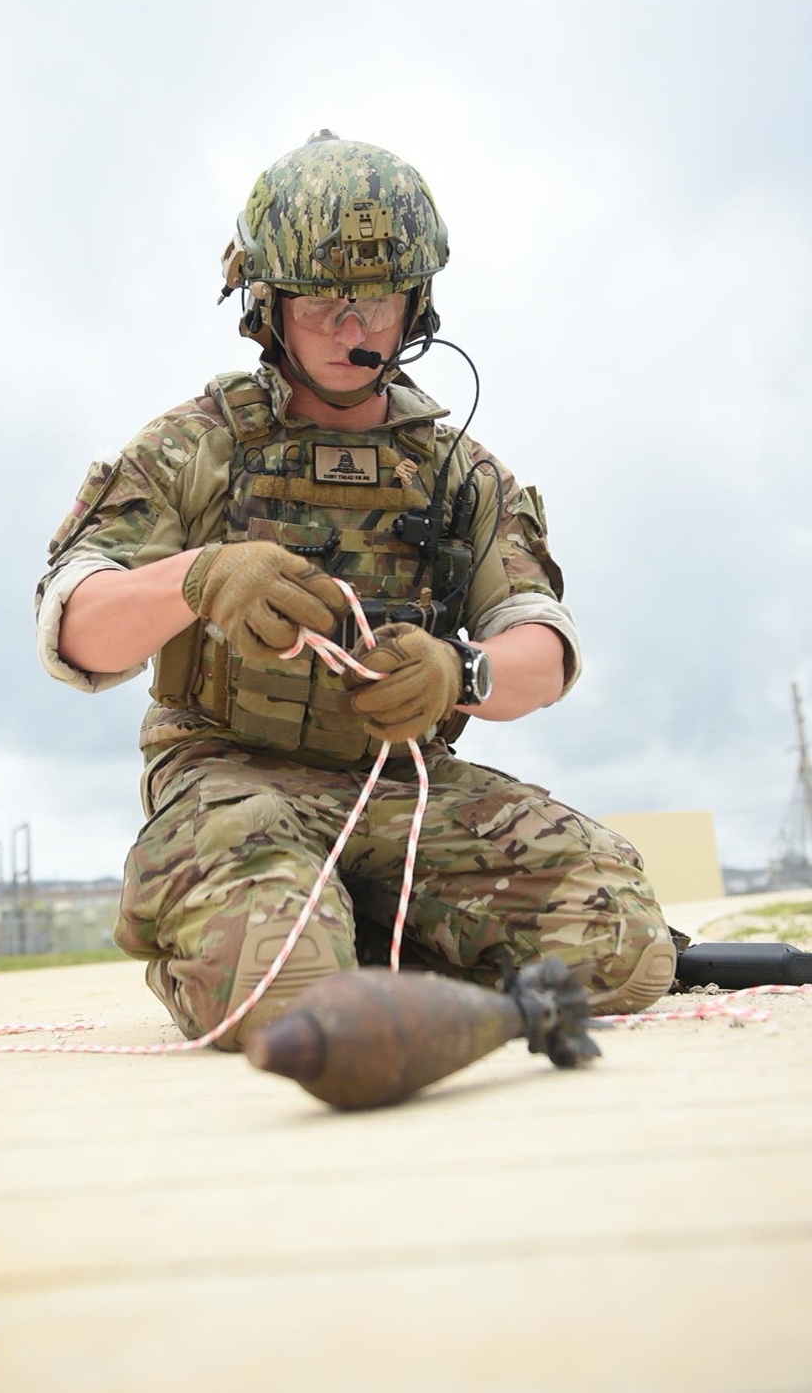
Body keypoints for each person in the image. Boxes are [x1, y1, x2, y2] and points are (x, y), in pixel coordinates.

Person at [35, 130, 675, 1049]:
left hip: (407, 786)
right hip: (232, 783)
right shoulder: (191, 449)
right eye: (325, 302)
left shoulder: (459, 471)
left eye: (375, 302)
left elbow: (543, 646)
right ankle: (261, 935)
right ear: (268, 304)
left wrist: (461, 674)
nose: (351, 330)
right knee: (291, 1002)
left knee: (623, 951)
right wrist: (201, 577)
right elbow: (76, 630)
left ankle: (364, 927)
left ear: (416, 304)